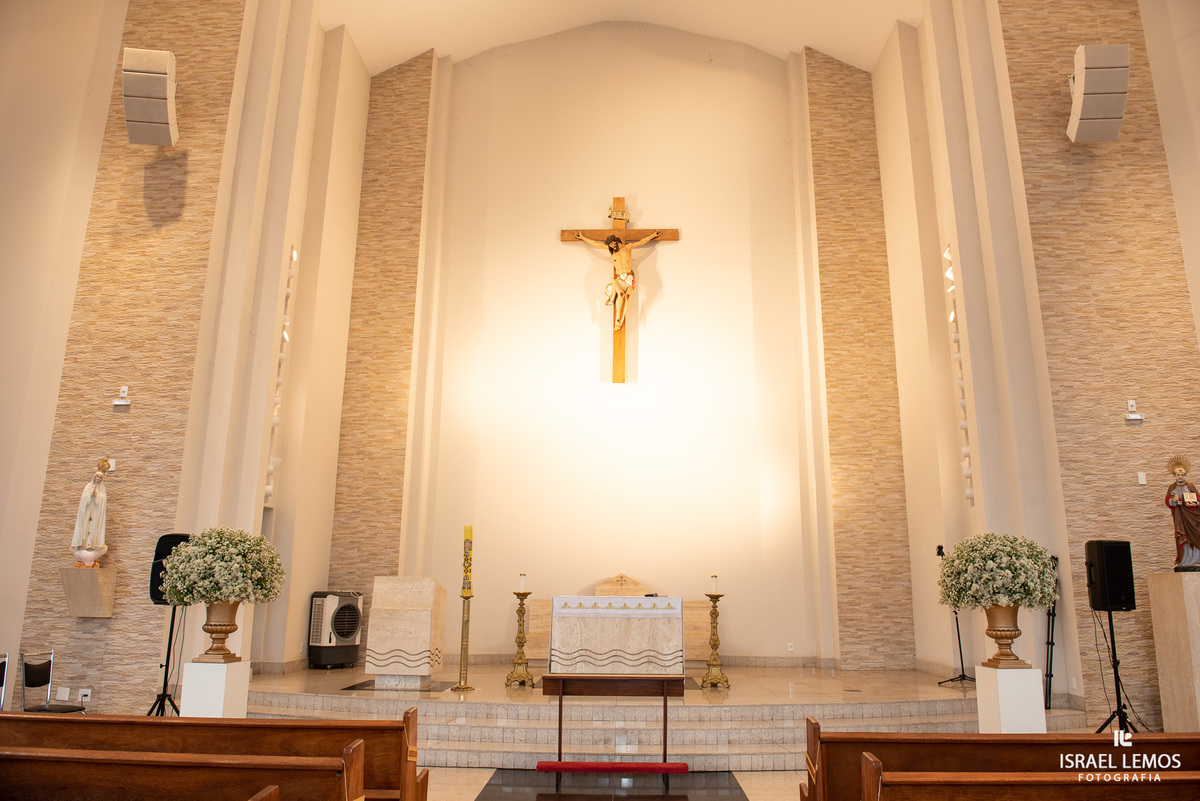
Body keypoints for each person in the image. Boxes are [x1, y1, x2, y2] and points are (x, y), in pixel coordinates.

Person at [573, 229, 662, 330]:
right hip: (619, 277)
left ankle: (622, 317)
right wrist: (582, 237)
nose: (612, 246)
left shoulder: (628, 247)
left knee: (627, 297)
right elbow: (596, 244)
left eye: (612, 243)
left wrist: (654, 235)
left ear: (616, 240)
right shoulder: (611, 251)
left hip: (629, 277)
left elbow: (642, 241)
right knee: (621, 295)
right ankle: (617, 318)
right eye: (610, 245)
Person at [71, 460, 109, 567]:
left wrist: (97, 497)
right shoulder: (88, 487)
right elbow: (83, 500)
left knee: (93, 529)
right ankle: (82, 545)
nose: (98, 479)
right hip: (87, 513)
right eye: (97, 477)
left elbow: (102, 503)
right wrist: (90, 496)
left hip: (95, 515)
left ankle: (91, 546)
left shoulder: (102, 490)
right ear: (94, 477)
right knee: (85, 528)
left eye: (100, 477)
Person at [1165, 455, 1200, 571]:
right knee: (1183, 536)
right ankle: (1185, 560)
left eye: (1182, 474)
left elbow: (1198, 499)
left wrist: (1196, 503)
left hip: (1193, 516)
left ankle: (1196, 559)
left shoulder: (1190, 486)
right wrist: (1174, 501)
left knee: (1196, 534)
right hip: (1181, 515)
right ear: (1174, 475)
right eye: (1178, 475)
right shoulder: (1172, 487)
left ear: (1185, 475)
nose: (1180, 477)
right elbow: (1168, 501)